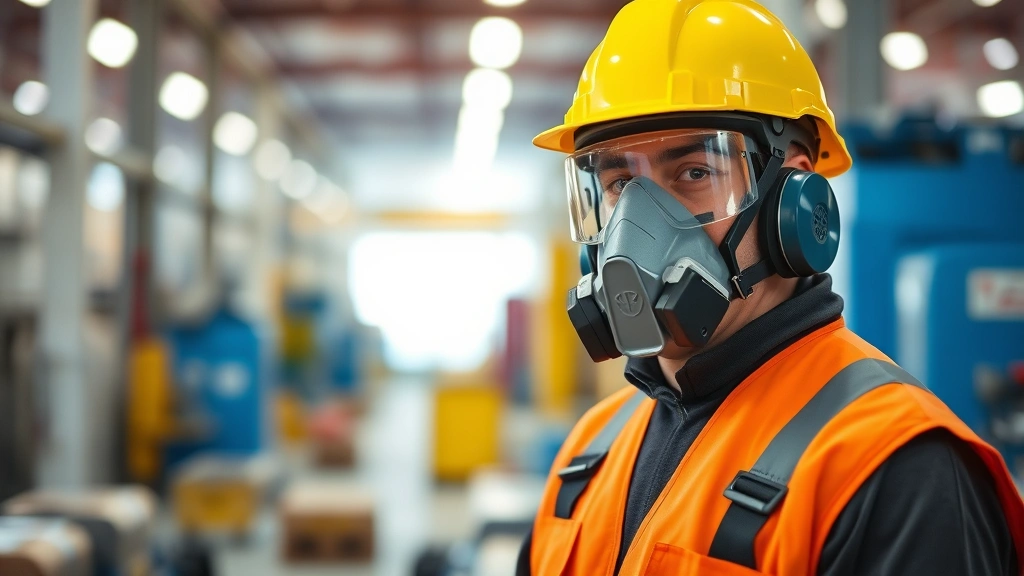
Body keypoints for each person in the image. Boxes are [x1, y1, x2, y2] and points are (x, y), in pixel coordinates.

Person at [516, 1, 1024, 574]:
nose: (638, 223)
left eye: (694, 173)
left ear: (794, 200)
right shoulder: (587, 456)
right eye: (616, 184)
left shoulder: (894, 465)